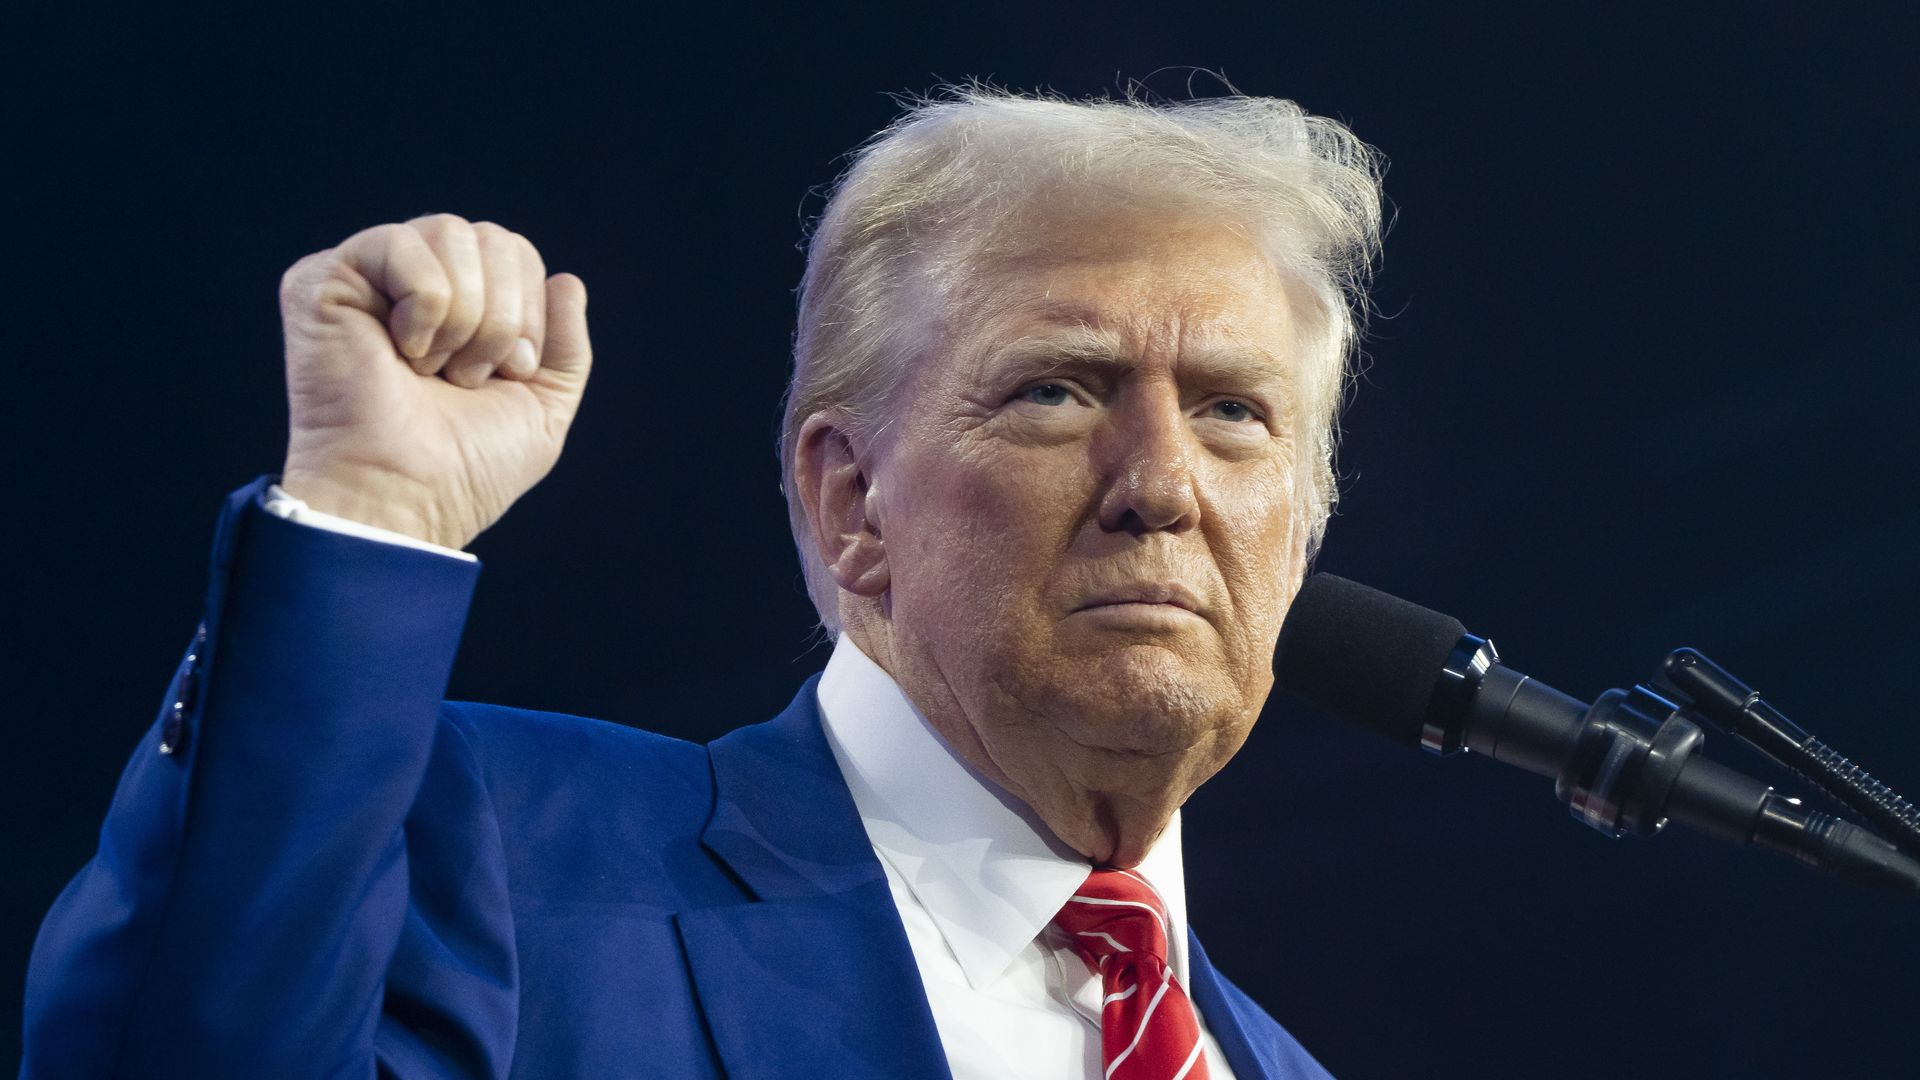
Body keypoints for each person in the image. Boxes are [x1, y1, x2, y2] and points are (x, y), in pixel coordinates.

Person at [21, 87, 1382, 1079]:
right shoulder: (502, 852)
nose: (1162, 481)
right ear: (850, 500)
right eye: (1057, 390)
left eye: (1234, 414)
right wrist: (369, 515)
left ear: (1302, 528)